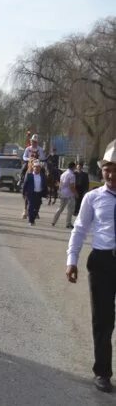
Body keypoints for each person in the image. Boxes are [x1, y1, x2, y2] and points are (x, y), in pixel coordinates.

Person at [65, 139, 116, 393]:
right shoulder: (92, 197)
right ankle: (103, 372)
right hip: (103, 262)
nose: (110, 173)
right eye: (107, 168)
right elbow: (80, 229)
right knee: (103, 320)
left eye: (115, 168)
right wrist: (71, 260)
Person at [52, 161, 76, 228]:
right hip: (70, 194)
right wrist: (75, 193)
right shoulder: (72, 175)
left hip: (63, 193)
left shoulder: (63, 174)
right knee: (70, 209)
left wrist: (60, 191)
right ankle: (68, 223)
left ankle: (54, 221)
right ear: (73, 167)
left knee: (60, 208)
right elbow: (72, 186)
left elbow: (61, 184)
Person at [22, 161, 47, 226]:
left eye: (38, 167)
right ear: (33, 167)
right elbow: (25, 185)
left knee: (37, 208)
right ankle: (31, 221)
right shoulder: (29, 175)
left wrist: (46, 194)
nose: (37, 168)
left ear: (40, 168)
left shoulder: (43, 176)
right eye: (35, 167)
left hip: (39, 194)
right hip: (31, 194)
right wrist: (24, 193)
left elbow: (45, 185)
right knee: (30, 207)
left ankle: (33, 218)